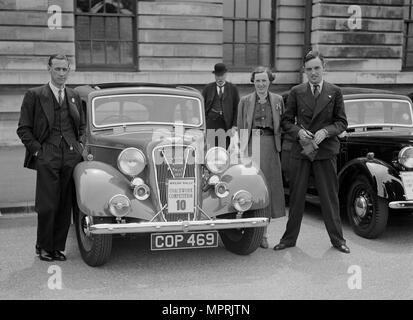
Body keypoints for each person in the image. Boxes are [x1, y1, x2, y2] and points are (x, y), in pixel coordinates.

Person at [274, 50, 350, 253]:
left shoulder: (335, 91)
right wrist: (299, 132)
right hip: (303, 151)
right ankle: (289, 239)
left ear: (324, 68)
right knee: (296, 198)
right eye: (309, 69)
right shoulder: (296, 92)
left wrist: (326, 131)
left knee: (329, 197)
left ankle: (338, 240)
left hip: (325, 152)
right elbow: (286, 122)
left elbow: (342, 122)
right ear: (304, 71)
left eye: (317, 68)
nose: (313, 73)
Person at [16, 54, 85, 261]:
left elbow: (80, 124)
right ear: (49, 69)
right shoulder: (35, 94)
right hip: (48, 154)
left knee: (65, 204)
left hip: (71, 156)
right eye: (57, 69)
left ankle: (58, 247)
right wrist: (38, 151)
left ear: (69, 70)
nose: (61, 73)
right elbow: (23, 129)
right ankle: (44, 246)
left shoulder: (73, 95)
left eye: (65, 69)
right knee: (47, 204)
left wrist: (80, 143)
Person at [237, 66, 286, 249]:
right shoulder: (245, 101)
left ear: (269, 81)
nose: (261, 84)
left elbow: (283, 125)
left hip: (271, 146)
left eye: (264, 80)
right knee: (251, 187)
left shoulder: (278, 100)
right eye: (257, 80)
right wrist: (242, 151)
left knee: (269, 189)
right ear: (253, 81)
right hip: (252, 144)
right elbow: (241, 126)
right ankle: (249, 231)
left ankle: (264, 233)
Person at [202, 63, 240, 148]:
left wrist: (234, 126)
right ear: (214, 75)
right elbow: (202, 107)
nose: (220, 78)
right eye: (217, 75)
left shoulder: (232, 89)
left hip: (226, 125)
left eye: (222, 75)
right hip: (211, 124)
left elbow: (237, 108)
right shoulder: (208, 88)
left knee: (224, 150)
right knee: (211, 149)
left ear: (226, 74)